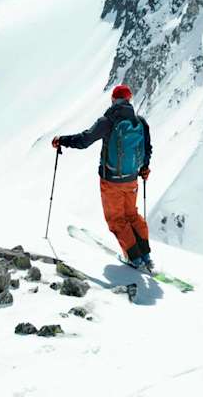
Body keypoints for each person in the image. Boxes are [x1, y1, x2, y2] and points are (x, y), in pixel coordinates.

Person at [52, 84, 153, 269]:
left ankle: (133, 258)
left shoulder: (108, 121)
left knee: (116, 219)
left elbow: (84, 140)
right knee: (131, 215)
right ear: (129, 100)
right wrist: (145, 167)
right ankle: (145, 255)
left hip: (111, 180)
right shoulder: (140, 122)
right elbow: (147, 148)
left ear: (114, 100)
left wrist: (62, 140)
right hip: (131, 179)